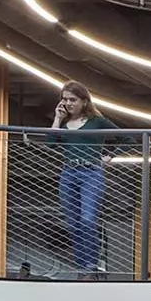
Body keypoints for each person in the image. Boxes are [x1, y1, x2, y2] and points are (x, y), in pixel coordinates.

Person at [50, 81, 116, 274]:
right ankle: (81, 268)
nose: (68, 103)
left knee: (88, 219)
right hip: (68, 173)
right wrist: (57, 119)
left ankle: (91, 265)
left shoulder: (97, 121)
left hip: (91, 172)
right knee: (72, 222)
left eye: (73, 99)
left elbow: (127, 138)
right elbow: (51, 144)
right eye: (65, 99)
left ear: (84, 101)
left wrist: (110, 156)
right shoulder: (64, 123)